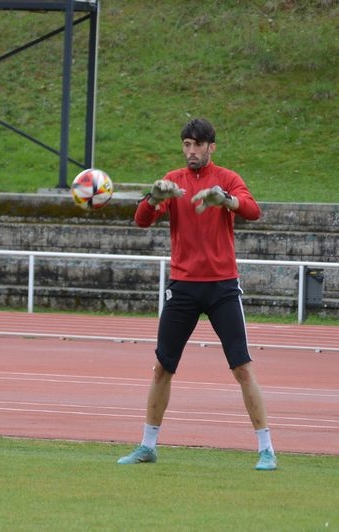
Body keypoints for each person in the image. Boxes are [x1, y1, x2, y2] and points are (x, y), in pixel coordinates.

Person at [117, 118, 277, 471]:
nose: (191, 152)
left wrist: (226, 200)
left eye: (197, 145)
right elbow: (142, 219)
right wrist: (153, 198)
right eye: (186, 145)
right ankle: (147, 445)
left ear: (211, 148)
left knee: (242, 367)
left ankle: (266, 449)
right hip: (184, 287)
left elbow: (252, 210)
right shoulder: (174, 181)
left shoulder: (228, 178)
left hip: (222, 287)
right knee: (162, 367)